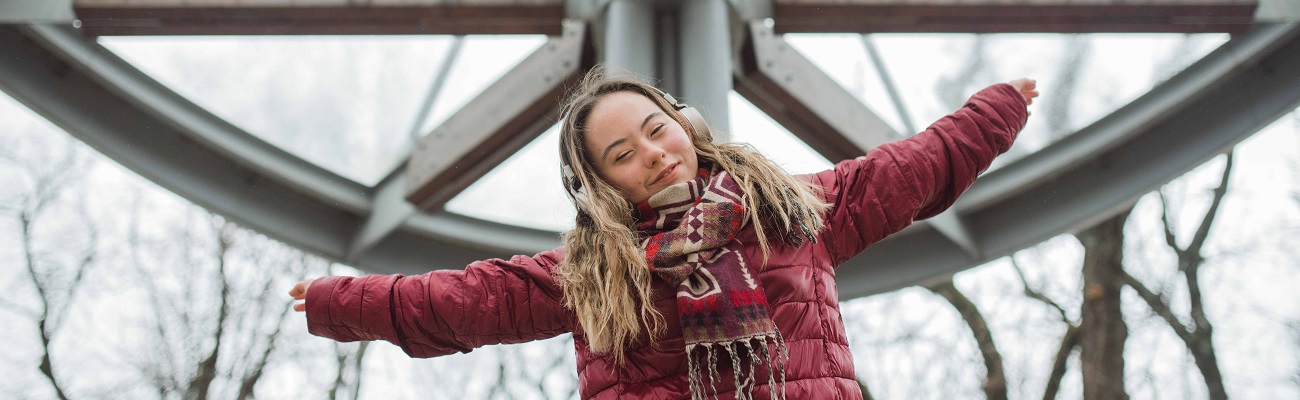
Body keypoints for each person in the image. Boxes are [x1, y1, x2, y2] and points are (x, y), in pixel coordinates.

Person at [289, 67, 1038, 400]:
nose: (653, 154)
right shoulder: (590, 275)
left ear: (686, 125)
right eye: (623, 154)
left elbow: (911, 170)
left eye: (657, 130)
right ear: (602, 188)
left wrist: (998, 108)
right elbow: (465, 302)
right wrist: (341, 302)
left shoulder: (790, 211)